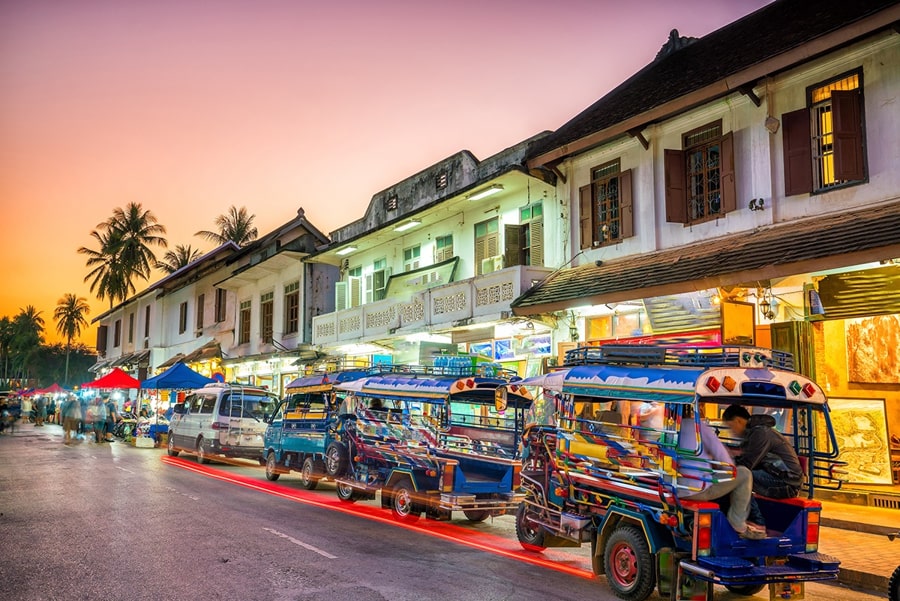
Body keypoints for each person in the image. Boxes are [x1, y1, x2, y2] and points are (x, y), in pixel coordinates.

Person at [678, 418, 765, 539]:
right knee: (744, 474)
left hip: (674, 488)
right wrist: (728, 468)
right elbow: (722, 457)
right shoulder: (698, 426)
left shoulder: (669, 427)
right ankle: (737, 523)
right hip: (698, 490)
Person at [722, 404, 804, 499]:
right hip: (780, 477)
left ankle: (749, 514)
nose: (731, 432)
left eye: (731, 427)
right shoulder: (754, 433)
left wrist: (724, 465)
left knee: (741, 475)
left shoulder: (760, 433)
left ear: (738, 421)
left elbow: (747, 464)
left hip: (787, 483)